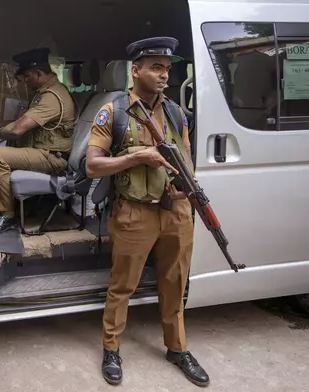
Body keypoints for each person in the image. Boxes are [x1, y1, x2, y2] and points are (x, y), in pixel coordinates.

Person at [85, 37, 210, 387]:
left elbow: (186, 158)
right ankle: (111, 349)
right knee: (122, 286)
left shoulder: (175, 112)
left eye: (168, 69)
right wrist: (136, 157)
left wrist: (185, 187)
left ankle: (178, 348)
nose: (164, 75)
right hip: (134, 213)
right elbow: (93, 166)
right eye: (156, 67)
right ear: (135, 70)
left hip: (176, 212)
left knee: (175, 283)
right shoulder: (114, 112)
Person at [0, 48, 75, 235]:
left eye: (27, 78)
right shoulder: (44, 92)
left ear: (38, 73)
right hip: (43, 152)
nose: (26, 83)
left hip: (53, 158)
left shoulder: (52, 97)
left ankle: (6, 216)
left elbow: (18, 129)